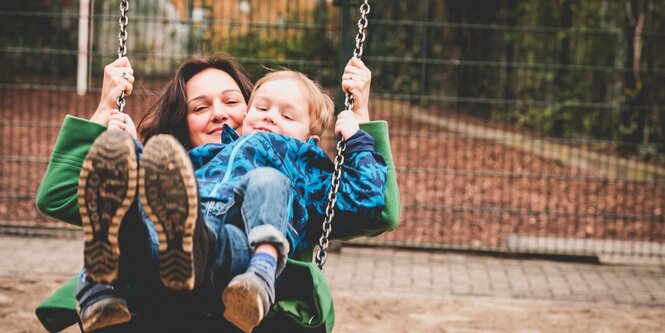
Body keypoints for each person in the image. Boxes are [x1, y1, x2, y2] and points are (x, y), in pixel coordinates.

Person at [35, 54, 400, 332]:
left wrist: (359, 123)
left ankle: (197, 245)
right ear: (182, 119)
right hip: (154, 262)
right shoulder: (189, 162)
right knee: (138, 196)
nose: (220, 115)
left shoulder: (301, 169)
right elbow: (59, 196)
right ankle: (104, 279)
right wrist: (118, 134)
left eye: (231, 101)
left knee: (265, 182)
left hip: (234, 260)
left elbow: (377, 208)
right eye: (200, 107)